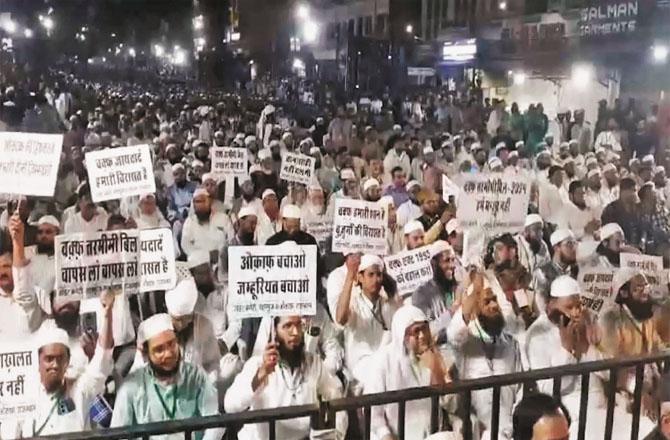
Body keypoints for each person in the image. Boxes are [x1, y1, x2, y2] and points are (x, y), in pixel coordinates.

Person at [7, 290, 114, 437]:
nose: (55, 365)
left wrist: (108, 314)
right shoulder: (26, 397)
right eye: (49, 359)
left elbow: (103, 357)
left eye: (60, 359)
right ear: (39, 362)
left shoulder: (79, 391)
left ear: (67, 362)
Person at [225, 315, 347, 440]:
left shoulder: (313, 363)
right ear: (275, 331)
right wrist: (260, 375)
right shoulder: (257, 364)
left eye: (298, 324)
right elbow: (230, 405)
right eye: (287, 326)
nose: (295, 332)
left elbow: (337, 400)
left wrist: (335, 436)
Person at [111, 314, 225, 440]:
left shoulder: (196, 377)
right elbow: (118, 435)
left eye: (171, 344)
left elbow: (214, 422)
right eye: (159, 350)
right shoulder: (131, 388)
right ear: (146, 353)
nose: (169, 353)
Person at [447, 273, 522, 439]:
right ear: (474, 309)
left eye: (495, 300)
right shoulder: (464, 343)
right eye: (487, 302)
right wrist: (475, 292)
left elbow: (520, 390)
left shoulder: (511, 343)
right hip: (479, 432)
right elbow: (453, 333)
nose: (494, 305)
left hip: (512, 428)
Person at [367, 305, 454, 440]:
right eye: (416, 331)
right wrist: (386, 435)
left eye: (425, 329)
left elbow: (451, 404)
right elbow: (373, 413)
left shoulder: (435, 355)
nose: (422, 336)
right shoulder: (383, 361)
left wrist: (435, 369)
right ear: (402, 335)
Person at [334, 254, 398, 386]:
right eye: (371, 275)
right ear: (360, 277)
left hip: (386, 363)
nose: (376, 279)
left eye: (379, 274)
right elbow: (340, 318)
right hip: (359, 365)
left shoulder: (387, 304)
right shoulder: (353, 302)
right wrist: (350, 276)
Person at [0, 213, 44, 337]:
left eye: (6, 266)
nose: (2, 272)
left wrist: (17, 241)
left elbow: (24, 295)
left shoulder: (35, 293)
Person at [413, 241, 461, 347]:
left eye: (453, 260)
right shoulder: (421, 294)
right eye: (447, 261)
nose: (452, 265)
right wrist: (451, 312)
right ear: (434, 264)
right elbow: (428, 331)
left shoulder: (459, 288)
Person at [532, 229, 578, 314]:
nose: (574, 249)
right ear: (557, 248)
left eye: (575, 244)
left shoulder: (577, 272)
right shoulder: (542, 273)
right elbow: (541, 309)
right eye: (569, 244)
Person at [180, 188, 233, 259]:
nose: (200, 205)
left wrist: (221, 254)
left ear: (210, 202)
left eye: (203, 201)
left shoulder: (223, 218)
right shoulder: (189, 222)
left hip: (221, 260)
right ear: (194, 205)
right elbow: (185, 245)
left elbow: (231, 240)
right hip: (198, 263)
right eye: (197, 202)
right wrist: (207, 255)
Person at [601, 177, 643, 247]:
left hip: (639, 247)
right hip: (619, 248)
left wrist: (642, 240)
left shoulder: (638, 208)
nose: (635, 194)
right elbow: (609, 234)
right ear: (623, 191)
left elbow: (643, 227)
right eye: (633, 190)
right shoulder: (611, 209)